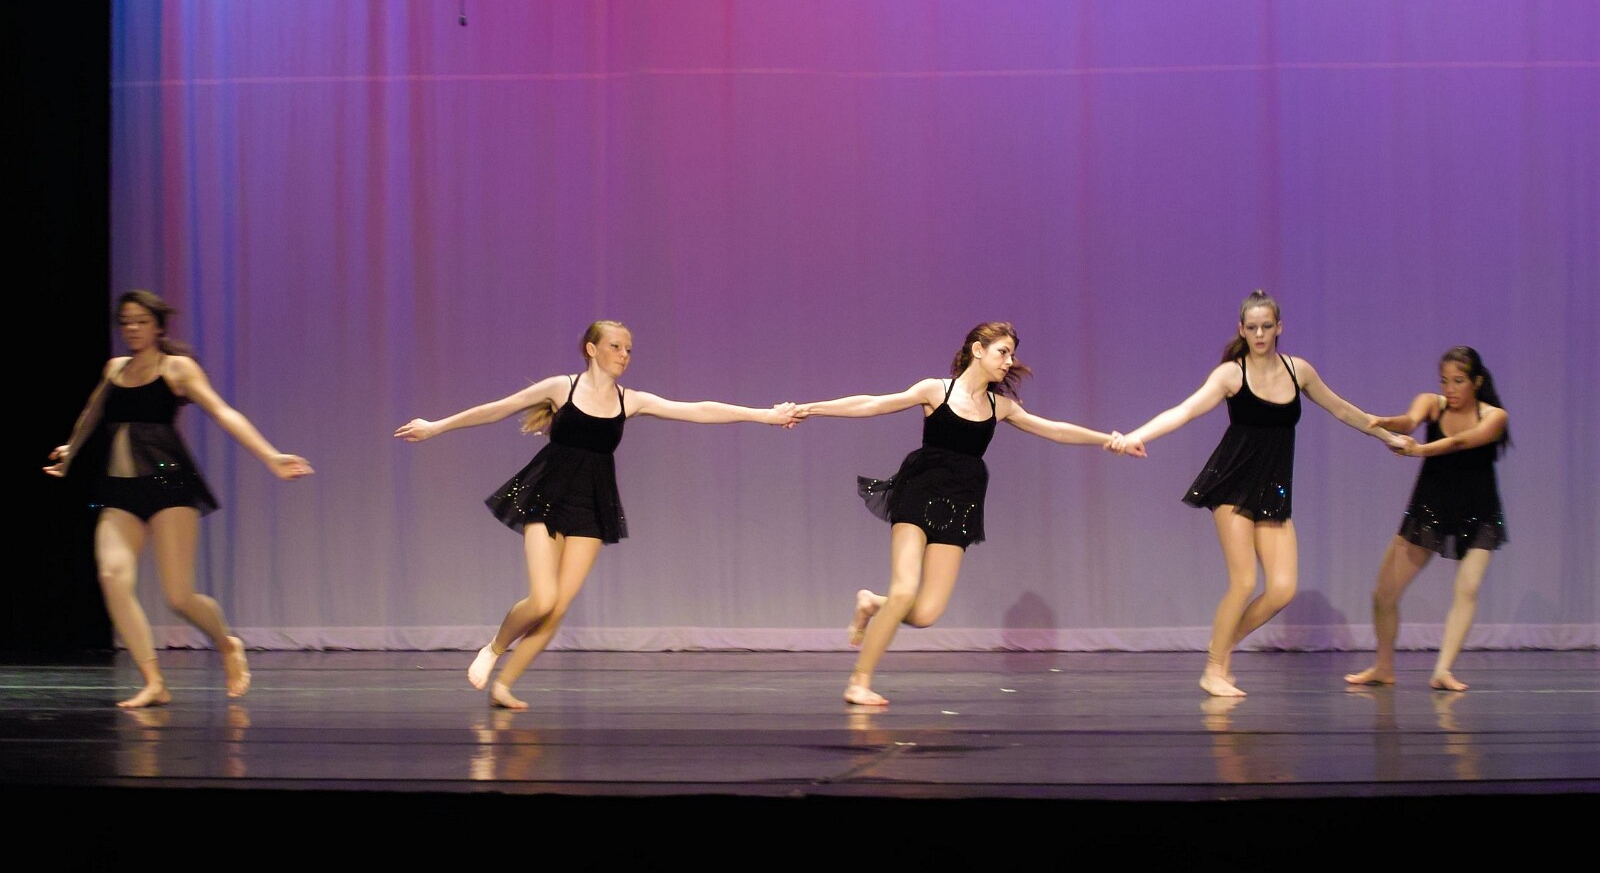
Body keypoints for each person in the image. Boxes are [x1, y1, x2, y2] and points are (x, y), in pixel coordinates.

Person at [395, 320, 797, 710]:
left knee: (558, 608)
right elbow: (497, 409)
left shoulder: (630, 400)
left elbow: (698, 410)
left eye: (628, 349)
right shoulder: (562, 387)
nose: (624, 354)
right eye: (615, 346)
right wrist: (436, 427)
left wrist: (764, 415)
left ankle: (504, 685)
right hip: (548, 495)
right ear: (592, 349)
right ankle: (493, 648)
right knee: (543, 599)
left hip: (591, 503)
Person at [796, 322, 1137, 708]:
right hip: (919, 492)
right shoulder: (935, 390)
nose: (1009, 362)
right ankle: (859, 681)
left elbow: (1055, 430)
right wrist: (812, 409)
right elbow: (873, 404)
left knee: (925, 614)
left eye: (1011, 355)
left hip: (961, 504)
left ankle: (873, 603)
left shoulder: (1000, 407)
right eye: (1002, 352)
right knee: (905, 590)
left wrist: (1109, 440)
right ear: (978, 350)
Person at [1109, 291, 1402, 698]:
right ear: (1242, 330)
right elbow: (1185, 410)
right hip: (1232, 482)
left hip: (1273, 488)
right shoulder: (1231, 374)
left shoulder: (1298, 371)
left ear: (1279, 327)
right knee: (1244, 580)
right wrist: (1135, 436)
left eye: (1267, 326)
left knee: (1282, 588)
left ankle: (1221, 646)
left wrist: (1386, 435)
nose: (1260, 334)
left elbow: (1342, 409)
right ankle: (1214, 669)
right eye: (1252, 328)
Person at [45, 290, 314, 708]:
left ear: (157, 326)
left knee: (178, 596)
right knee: (112, 577)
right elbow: (92, 413)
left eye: (140, 321)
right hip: (120, 490)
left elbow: (222, 412)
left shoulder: (176, 368)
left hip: (168, 485)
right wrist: (69, 451)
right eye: (126, 322)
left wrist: (271, 456)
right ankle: (154, 681)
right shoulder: (115, 368)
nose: (132, 328)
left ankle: (226, 642)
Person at [1345, 346, 1509, 692]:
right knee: (1383, 593)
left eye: (1459, 381)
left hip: (1478, 512)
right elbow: (1410, 420)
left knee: (1467, 588)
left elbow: (1461, 442)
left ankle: (1442, 670)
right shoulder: (1432, 404)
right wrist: (1386, 424)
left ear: (1477, 382)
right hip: (1430, 507)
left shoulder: (1494, 417)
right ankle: (1383, 667)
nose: (1450, 388)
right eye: (1445, 381)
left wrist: (1419, 450)